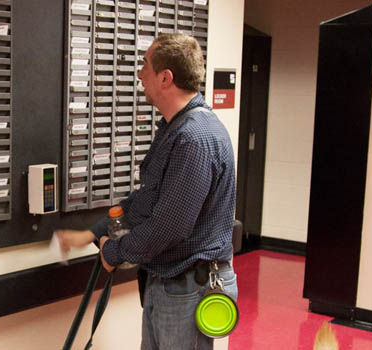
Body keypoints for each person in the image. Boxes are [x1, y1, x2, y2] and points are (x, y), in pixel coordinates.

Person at [55, 33, 237, 350]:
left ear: (165, 77)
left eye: (145, 66)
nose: (140, 74)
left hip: (188, 288)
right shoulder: (174, 127)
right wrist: (92, 233)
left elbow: (169, 226)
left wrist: (114, 252)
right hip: (167, 281)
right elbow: (147, 202)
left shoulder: (194, 138)